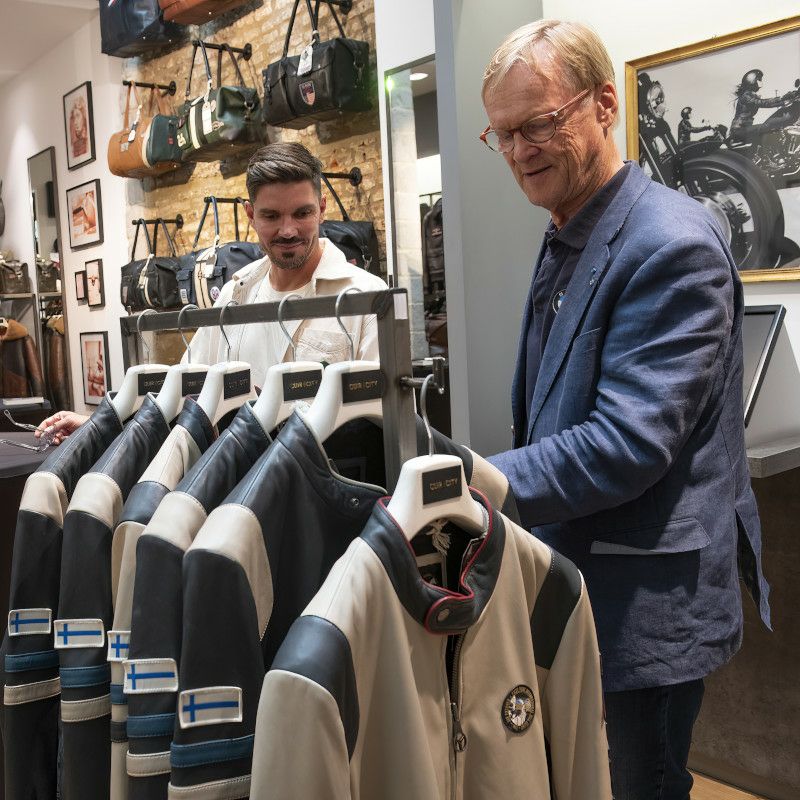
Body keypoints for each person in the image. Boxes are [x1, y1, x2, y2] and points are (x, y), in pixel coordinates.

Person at [479, 20, 769, 800]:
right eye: (503, 134)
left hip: (644, 600)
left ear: (604, 104)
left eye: (539, 124)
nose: (519, 151)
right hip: (581, 578)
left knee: (642, 781)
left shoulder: (671, 244)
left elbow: (627, 443)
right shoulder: (571, 225)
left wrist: (476, 482)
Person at [37, 142, 387, 442]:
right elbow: (180, 389)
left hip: (324, 488)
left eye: (302, 213)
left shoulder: (366, 297)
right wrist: (99, 425)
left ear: (322, 209)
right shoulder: (236, 294)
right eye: (271, 216)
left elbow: (384, 419)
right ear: (250, 214)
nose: (288, 230)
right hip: (233, 483)